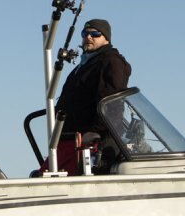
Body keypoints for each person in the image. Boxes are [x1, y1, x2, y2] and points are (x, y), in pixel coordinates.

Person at [52, 17, 131, 174]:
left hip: (93, 143)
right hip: (70, 140)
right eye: (85, 33)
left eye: (95, 34)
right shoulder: (83, 66)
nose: (88, 37)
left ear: (106, 39)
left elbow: (112, 102)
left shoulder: (111, 61)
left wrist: (96, 132)